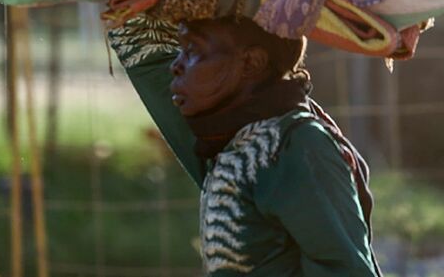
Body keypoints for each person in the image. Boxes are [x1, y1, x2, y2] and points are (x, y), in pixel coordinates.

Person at [108, 14, 380, 276]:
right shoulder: (226, 141)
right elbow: (143, 46)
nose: (175, 66)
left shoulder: (296, 145)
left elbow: (344, 268)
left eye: (193, 51)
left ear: (251, 62)